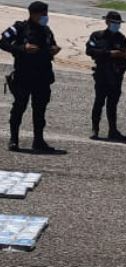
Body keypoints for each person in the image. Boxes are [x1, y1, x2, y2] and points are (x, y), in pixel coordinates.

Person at [1, 1, 60, 153]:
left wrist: (54, 50)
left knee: (40, 110)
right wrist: (22, 48)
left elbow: (51, 45)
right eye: (43, 14)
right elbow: (3, 42)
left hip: (42, 76)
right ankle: (14, 140)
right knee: (19, 108)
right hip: (24, 76)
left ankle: (38, 141)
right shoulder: (20, 27)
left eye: (46, 13)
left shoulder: (46, 30)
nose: (45, 16)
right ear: (33, 14)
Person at [86, 11, 126, 142]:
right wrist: (109, 54)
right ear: (107, 22)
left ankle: (113, 130)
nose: (116, 25)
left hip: (116, 75)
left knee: (112, 104)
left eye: (118, 23)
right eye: (114, 23)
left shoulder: (121, 38)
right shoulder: (97, 36)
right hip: (102, 73)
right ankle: (95, 129)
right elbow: (90, 50)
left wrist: (123, 55)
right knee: (99, 101)